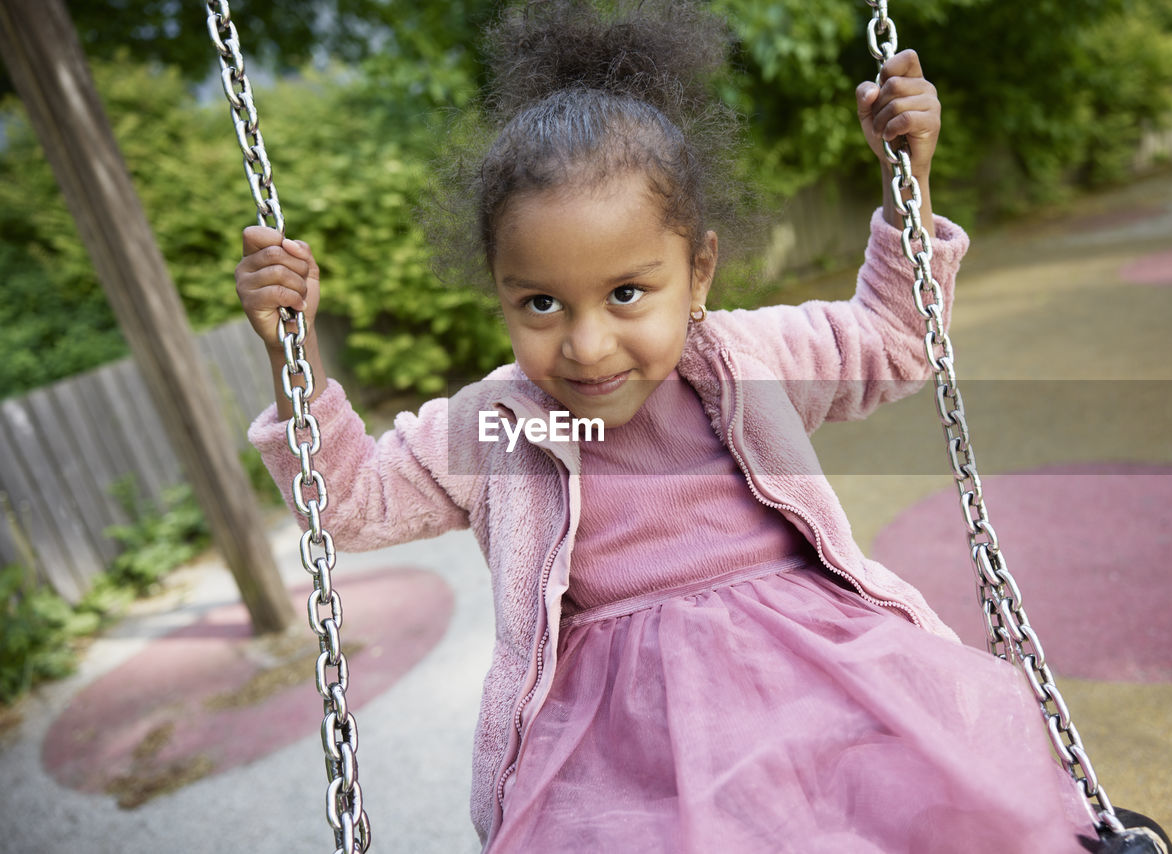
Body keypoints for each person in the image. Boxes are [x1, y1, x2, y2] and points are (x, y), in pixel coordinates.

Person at [237, 1, 1100, 850]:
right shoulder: (506, 428)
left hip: (822, 672)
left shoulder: (748, 363)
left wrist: (903, 181)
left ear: (699, 271)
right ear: (499, 291)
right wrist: (296, 357)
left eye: (626, 294)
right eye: (540, 303)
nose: (586, 343)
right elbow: (347, 501)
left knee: (921, 804)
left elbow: (895, 342)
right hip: (626, 739)